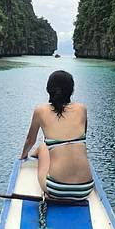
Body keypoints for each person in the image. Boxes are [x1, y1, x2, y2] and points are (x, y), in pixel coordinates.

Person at [19, 70, 94, 200]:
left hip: (56, 188)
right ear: (71, 90)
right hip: (85, 189)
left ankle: (34, 155)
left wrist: (22, 157)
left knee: (43, 147)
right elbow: (82, 138)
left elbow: (30, 140)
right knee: (56, 146)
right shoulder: (82, 109)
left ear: (49, 89)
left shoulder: (40, 111)